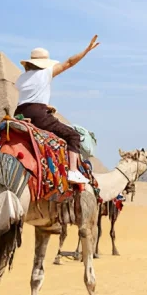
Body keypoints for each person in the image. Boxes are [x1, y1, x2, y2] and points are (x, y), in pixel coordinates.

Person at [15, 35, 100, 184]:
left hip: (19, 113)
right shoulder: (45, 73)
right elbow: (69, 62)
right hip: (39, 115)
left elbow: (29, 98)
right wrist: (86, 51)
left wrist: (46, 105)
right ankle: (73, 172)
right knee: (73, 136)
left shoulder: (21, 78)